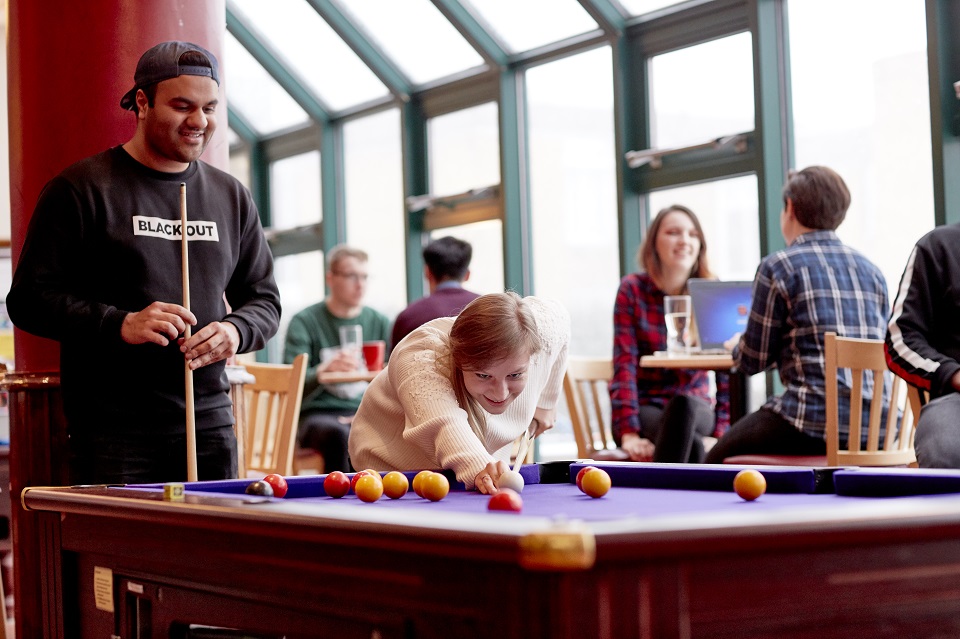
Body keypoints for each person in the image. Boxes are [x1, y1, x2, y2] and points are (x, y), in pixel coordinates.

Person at [6, 41, 281, 484]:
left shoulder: (231, 196)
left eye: (209, 108)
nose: (199, 121)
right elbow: (29, 300)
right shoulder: (82, 188)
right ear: (141, 102)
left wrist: (234, 330)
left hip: (209, 421)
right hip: (114, 431)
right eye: (182, 106)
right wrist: (120, 323)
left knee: (209, 554)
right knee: (121, 557)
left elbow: (264, 302)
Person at [705, 166, 889, 463]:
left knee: (712, 462)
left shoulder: (779, 266)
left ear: (789, 207)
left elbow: (752, 360)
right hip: (877, 426)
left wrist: (736, 346)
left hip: (812, 422)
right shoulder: (872, 271)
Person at [348, 292, 569, 494]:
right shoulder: (421, 357)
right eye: (483, 375)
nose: (500, 393)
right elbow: (445, 425)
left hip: (474, 467)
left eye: (515, 375)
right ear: (458, 360)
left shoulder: (536, 330)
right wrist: (481, 467)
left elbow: (560, 317)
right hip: (389, 474)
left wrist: (546, 402)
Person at [609, 205, 730, 464]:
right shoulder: (632, 290)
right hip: (646, 407)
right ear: (655, 243)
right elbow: (624, 364)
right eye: (674, 232)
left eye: (692, 234)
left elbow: (726, 371)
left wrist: (721, 433)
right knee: (693, 443)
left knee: (683, 406)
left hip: (696, 407)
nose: (685, 240)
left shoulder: (711, 291)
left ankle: (660, 497)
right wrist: (629, 433)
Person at [283, 245, 390, 473]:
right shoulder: (305, 321)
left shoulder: (379, 321)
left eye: (364, 276)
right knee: (342, 435)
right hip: (318, 413)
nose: (360, 284)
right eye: (352, 276)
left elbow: (393, 374)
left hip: (365, 410)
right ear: (330, 279)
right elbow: (289, 383)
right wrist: (323, 371)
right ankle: (343, 499)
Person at [885, 223, 960, 468]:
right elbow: (901, 338)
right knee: (946, 452)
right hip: (954, 400)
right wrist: (952, 374)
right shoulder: (937, 247)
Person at [389, 235, 480, 353]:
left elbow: (393, 366)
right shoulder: (489, 310)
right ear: (467, 275)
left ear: (427, 273)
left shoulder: (408, 317)